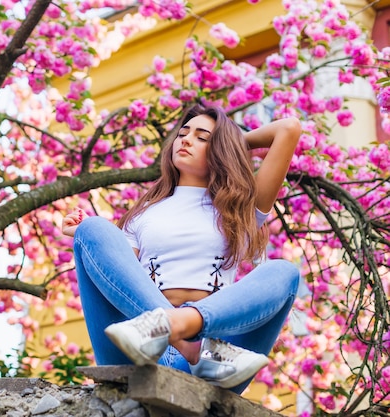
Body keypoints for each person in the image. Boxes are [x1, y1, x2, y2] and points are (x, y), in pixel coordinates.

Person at [61, 104, 302, 394]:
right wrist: (87, 235)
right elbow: (119, 280)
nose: (186, 140)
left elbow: (288, 129)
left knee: (284, 272)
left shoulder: (240, 209)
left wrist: (231, 143)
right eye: (183, 133)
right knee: (94, 228)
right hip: (142, 355)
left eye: (202, 137)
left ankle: (186, 332)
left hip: (215, 361)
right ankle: (183, 341)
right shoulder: (143, 215)